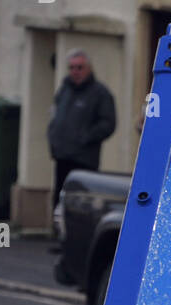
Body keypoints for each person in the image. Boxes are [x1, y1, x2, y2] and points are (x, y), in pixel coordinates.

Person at [47, 50, 117, 211]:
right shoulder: (65, 90)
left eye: (79, 67)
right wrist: (53, 138)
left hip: (84, 159)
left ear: (89, 69)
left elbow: (108, 124)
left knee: (79, 199)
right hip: (62, 155)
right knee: (60, 195)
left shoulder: (100, 93)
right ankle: (58, 229)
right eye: (72, 68)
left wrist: (84, 138)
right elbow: (56, 116)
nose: (75, 72)